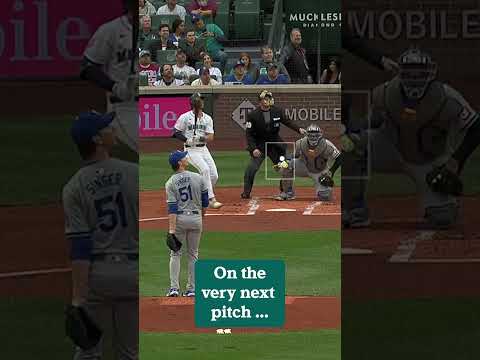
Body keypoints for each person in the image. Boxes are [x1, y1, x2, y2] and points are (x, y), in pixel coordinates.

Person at [342, 48, 480, 229]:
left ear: (430, 72)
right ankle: (355, 212)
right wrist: (351, 129)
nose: (414, 77)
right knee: (349, 145)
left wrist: (455, 161)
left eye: (419, 72)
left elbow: (476, 127)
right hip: (391, 149)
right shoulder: (385, 93)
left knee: (443, 218)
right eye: (409, 72)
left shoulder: (447, 97)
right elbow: (375, 120)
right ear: (400, 72)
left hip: (429, 162)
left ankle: (443, 204)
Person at [63, 111, 138, 359]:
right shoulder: (134, 172)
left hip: (98, 276)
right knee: (130, 353)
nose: (113, 129)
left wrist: (78, 299)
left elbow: (80, 247)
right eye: (107, 128)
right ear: (97, 139)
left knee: (87, 352)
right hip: (133, 273)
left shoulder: (73, 187)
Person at [80, 0, 138, 155]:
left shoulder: (155, 30)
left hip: (153, 106)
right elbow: (87, 67)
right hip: (124, 108)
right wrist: (114, 87)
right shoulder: (112, 30)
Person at [241, 90, 307, 199]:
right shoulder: (253, 115)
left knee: (285, 166)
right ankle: (246, 192)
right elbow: (249, 134)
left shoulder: (277, 111)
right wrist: (253, 149)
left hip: (275, 145)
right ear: (260, 101)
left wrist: (298, 129)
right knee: (251, 169)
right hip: (260, 146)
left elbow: (288, 122)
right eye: (265, 98)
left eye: (269, 98)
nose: (267, 100)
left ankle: (285, 191)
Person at [165, 150, 209, 297]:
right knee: (193, 254)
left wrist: (171, 230)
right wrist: (201, 217)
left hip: (180, 220)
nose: (186, 158)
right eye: (184, 157)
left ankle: (174, 288)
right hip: (196, 219)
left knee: (175, 253)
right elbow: (205, 202)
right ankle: (191, 289)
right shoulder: (198, 177)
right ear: (180, 163)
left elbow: (172, 209)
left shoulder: (170, 182)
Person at [173, 93, 223, 208]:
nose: (202, 102)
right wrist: (187, 140)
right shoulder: (185, 117)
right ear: (194, 102)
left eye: (202, 100)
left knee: (214, 175)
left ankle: (199, 193)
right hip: (191, 150)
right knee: (204, 170)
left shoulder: (207, 118)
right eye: (200, 100)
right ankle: (211, 199)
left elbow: (211, 137)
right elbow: (176, 132)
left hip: (203, 149)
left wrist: (201, 138)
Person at [274, 124, 341, 201]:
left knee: (325, 197)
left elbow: (340, 158)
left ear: (320, 135)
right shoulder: (300, 143)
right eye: (311, 135)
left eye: (315, 135)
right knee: (287, 165)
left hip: (320, 171)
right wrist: (283, 164)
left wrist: (331, 171)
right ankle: (287, 192)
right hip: (304, 166)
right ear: (307, 135)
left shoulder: (327, 144)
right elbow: (294, 156)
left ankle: (325, 191)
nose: (313, 137)